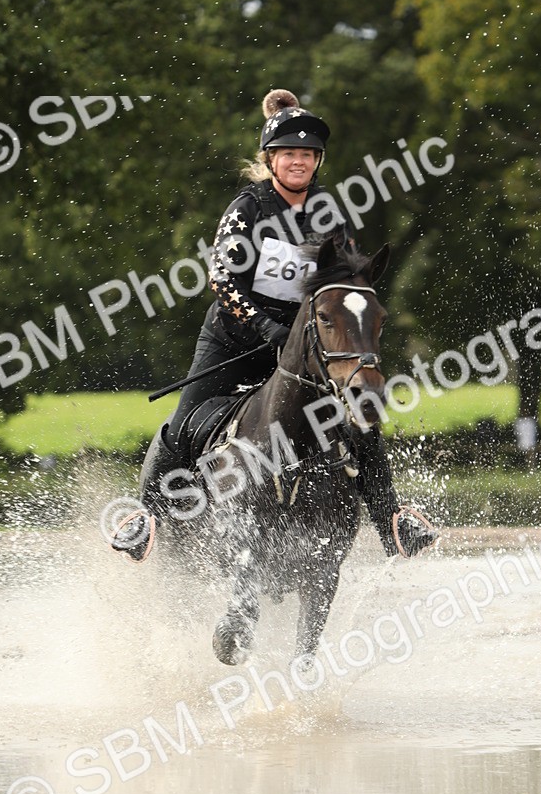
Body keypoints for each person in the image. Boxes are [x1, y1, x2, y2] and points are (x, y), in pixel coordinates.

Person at [112, 88, 438, 562]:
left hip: (306, 342)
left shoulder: (331, 214)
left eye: (307, 155)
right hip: (236, 337)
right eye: (289, 155)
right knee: (182, 423)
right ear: (271, 159)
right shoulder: (248, 209)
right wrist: (266, 326)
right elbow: (222, 278)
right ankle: (144, 519)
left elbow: (345, 284)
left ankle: (393, 521)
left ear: (317, 161)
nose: (299, 162)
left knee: (359, 417)